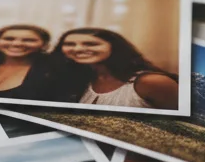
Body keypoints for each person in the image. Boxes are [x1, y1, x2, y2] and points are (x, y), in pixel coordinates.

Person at [51, 28, 180, 109]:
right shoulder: (78, 79)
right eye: (69, 44)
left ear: (115, 47)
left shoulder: (151, 82)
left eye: (91, 44)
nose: (77, 49)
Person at [0, 25, 55, 99]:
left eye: (28, 40)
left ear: (44, 45)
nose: (17, 44)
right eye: (9, 39)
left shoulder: (52, 71)